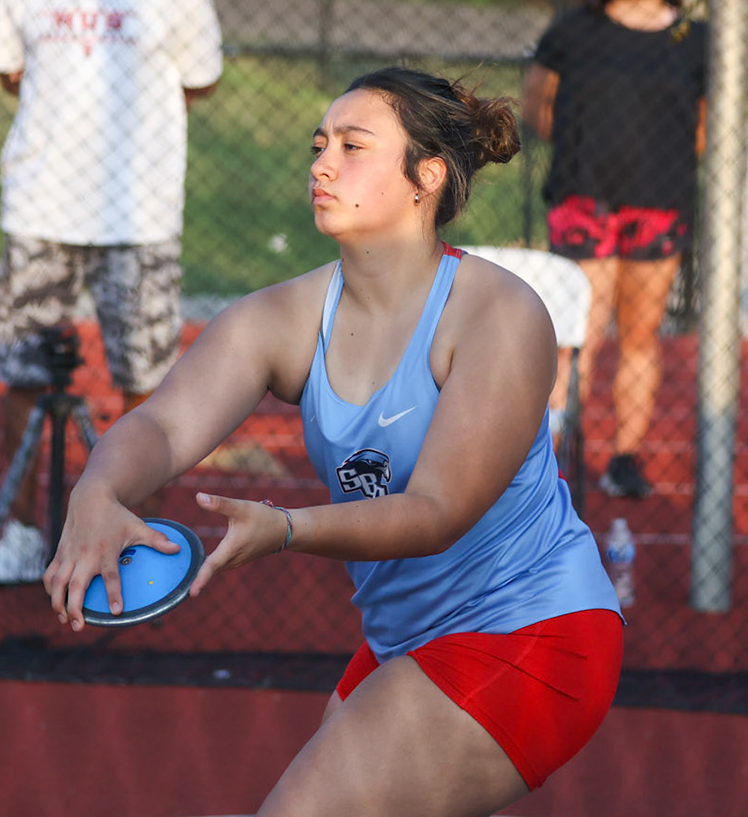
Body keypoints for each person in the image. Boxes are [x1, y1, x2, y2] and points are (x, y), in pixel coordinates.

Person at [44, 68, 624, 816]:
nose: (321, 164)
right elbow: (161, 424)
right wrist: (97, 491)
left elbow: (438, 510)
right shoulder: (285, 317)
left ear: (426, 176)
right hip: (406, 637)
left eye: (353, 146)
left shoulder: (498, 315)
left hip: (530, 628)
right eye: (320, 145)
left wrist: (286, 530)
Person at [0, 0, 223, 582]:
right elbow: (11, 72)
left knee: (145, 381)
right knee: (26, 374)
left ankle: (135, 538)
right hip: (43, 209)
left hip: (139, 216)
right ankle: (21, 533)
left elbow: (200, 79)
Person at [523, 0, 707, 500]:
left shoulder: (693, 39)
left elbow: (703, 126)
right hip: (586, 197)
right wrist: (585, 151)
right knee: (577, 333)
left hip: (659, 203)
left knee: (641, 333)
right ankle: (549, 450)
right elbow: (537, 102)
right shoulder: (575, 30)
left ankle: (625, 456)